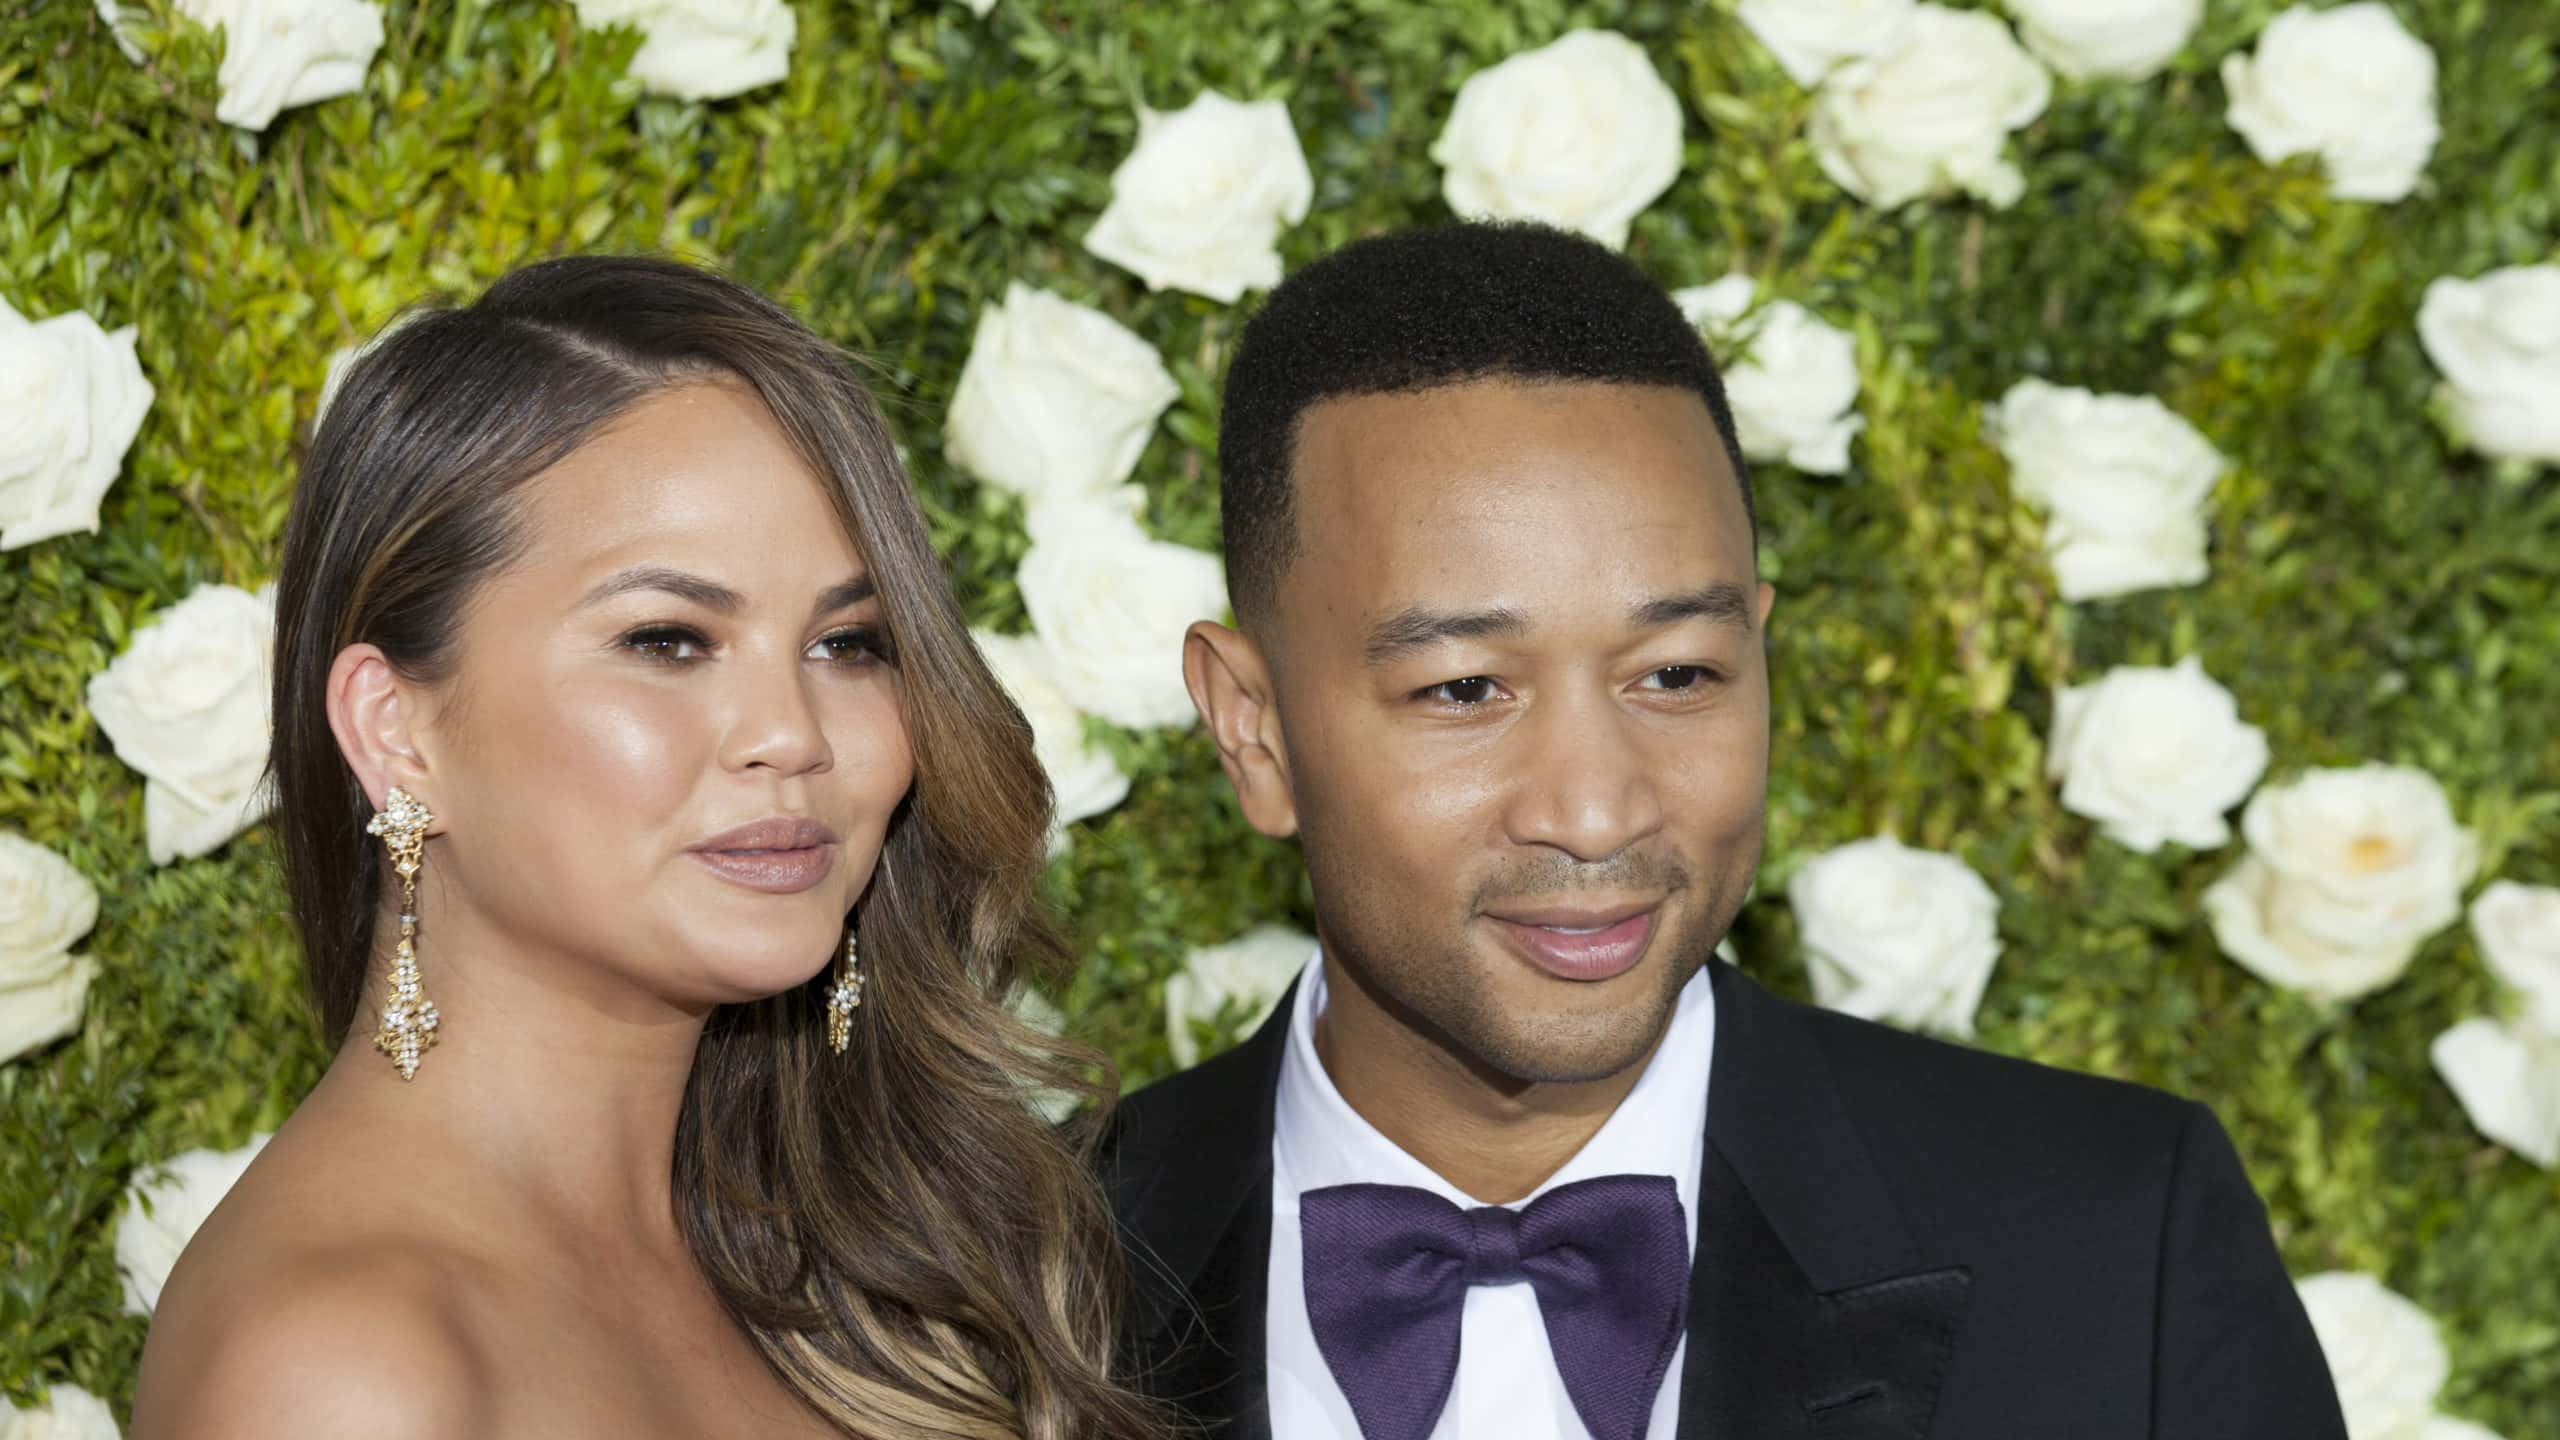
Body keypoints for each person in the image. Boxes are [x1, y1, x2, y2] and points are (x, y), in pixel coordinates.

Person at [1104, 223, 2347, 1440]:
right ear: (1253, 730)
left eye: (1678, 676)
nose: (1595, 812)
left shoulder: (2115, 1247)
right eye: (1465, 690)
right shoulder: (989, 1275)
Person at [130, 257, 1165, 1440]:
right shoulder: (342, 1365)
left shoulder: (851, 1262)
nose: (790, 735)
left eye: (847, 643)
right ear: (395, 730)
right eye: (669, 640)